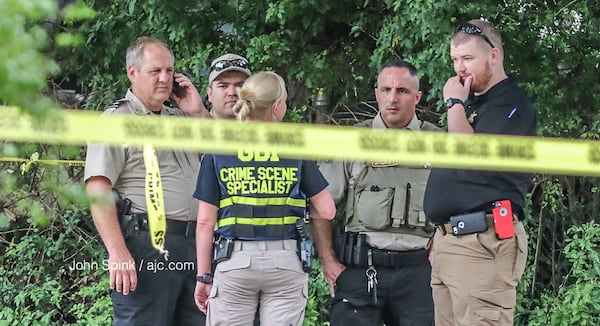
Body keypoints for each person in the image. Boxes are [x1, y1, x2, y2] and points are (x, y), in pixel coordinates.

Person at [192, 71, 336, 326]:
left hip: (234, 261)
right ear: (277, 107)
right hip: (285, 262)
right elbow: (327, 210)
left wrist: (204, 277)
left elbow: (204, 222)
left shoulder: (218, 147)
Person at [84, 36, 210, 325]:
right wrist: (117, 252)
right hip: (147, 245)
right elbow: (97, 188)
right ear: (133, 72)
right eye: (155, 71)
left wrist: (198, 112)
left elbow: (218, 161)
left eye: (169, 71)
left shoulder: (181, 120)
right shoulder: (117, 120)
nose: (164, 78)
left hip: (195, 246)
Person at [423, 19, 536, 326]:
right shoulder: (472, 106)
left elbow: (467, 155)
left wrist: (454, 102)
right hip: (450, 242)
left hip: (483, 243)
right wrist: (442, 232)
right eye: (455, 60)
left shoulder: (511, 105)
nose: (460, 68)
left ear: (494, 56)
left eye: (468, 58)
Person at [313, 59, 439, 326]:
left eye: (402, 91)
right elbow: (320, 206)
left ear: (417, 97)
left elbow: (458, 206)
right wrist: (328, 260)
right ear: (377, 93)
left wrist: (443, 242)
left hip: (420, 273)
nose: (393, 98)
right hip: (361, 268)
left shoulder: (439, 144)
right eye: (386, 90)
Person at [206, 53, 251, 119]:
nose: (232, 93)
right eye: (223, 86)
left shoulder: (264, 127)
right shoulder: (193, 128)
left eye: (240, 86)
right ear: (209, 94)